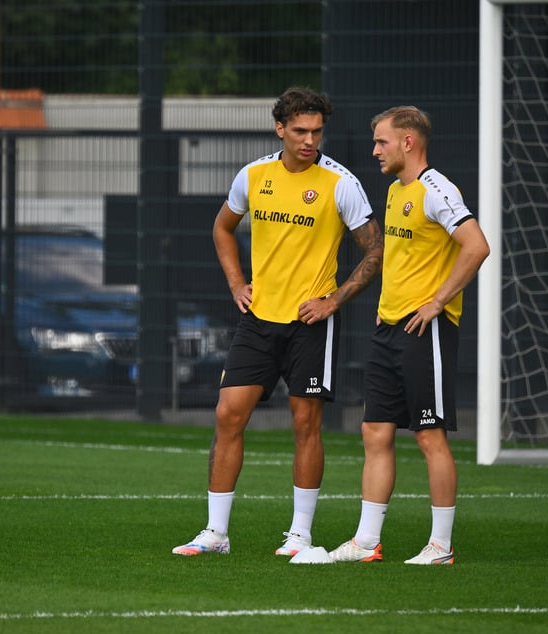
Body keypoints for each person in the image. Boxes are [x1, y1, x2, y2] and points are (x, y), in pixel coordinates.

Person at [172, 86, 384, 557]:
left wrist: (334, 300)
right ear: (280, 129)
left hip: (310, 324)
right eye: (301, 131)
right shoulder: (253, 175)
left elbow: (376, 250)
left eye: (317, 131)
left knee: (305, 423)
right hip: (259, 320)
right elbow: (222, 227)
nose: (310, 140)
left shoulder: (340, 182)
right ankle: (216, 533)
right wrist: (235, 283)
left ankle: (300, 534)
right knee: (228, 415)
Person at [328, 105, 490, 565]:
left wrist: (437, 302)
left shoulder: (437, 189)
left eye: (381, 141)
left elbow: (477, 246)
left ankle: (440, 546)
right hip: (390, 328)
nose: (374, 149)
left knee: (429, 436)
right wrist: (387, 308)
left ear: (408, 142)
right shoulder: (395, 190)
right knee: (375, 431)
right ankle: (365, 543)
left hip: (427, 331)